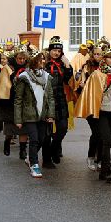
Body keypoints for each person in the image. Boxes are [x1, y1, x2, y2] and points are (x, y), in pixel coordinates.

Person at [75, 48, 111, 182]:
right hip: (102, 111)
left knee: (109, 139)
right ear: (104, 59)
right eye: (110, 57)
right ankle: (106, 170)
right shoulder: (97, 74)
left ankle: (103, 165)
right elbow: (91, 93)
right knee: (106, 139)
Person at [13, 51, 55, 178]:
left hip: (43, 114)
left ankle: (30, 158)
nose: (42, 62)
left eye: (43, 59)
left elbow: (50, 98)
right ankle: (34, 165)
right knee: (34, 139)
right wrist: (18, 119)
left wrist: (51, 114)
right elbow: (18, 99)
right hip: (29, 114)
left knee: (42, 139)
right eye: (39, 59)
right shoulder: (24, 77)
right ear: (33, 61)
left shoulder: (47, 76)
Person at [0, 47, 29, 158]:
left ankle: (22, 150)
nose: (21, 60)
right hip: (9, 101)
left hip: (24, 101)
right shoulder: (7, 68)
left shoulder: (28, 68)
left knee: (23, 127)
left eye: (24, 58)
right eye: (19, 58)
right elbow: (2, 84)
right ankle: (7, 142)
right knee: (9, 127)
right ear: (15, 57)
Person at [43, 36, 73, 168]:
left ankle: (55, 148)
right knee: (46, 132)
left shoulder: (62, 64)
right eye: (54, 50)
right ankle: (47, 159)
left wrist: (67, 65)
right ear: (50, 50)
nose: (56, 53)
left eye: (59, 51)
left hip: (60, 99)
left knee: (62, 128)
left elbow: (67, 79)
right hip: (47, 100)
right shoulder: (44, 63)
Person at [75, 44, 104, 171]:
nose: (97, 56)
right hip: (90, 103)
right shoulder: (87, 67)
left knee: (104, 133)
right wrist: (83, 84)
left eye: (100, 54)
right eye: (95, 54)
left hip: (103, 104)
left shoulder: (107, 67)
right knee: (97, 132)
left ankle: (102, 157)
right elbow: (80, 82)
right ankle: (91, 156)